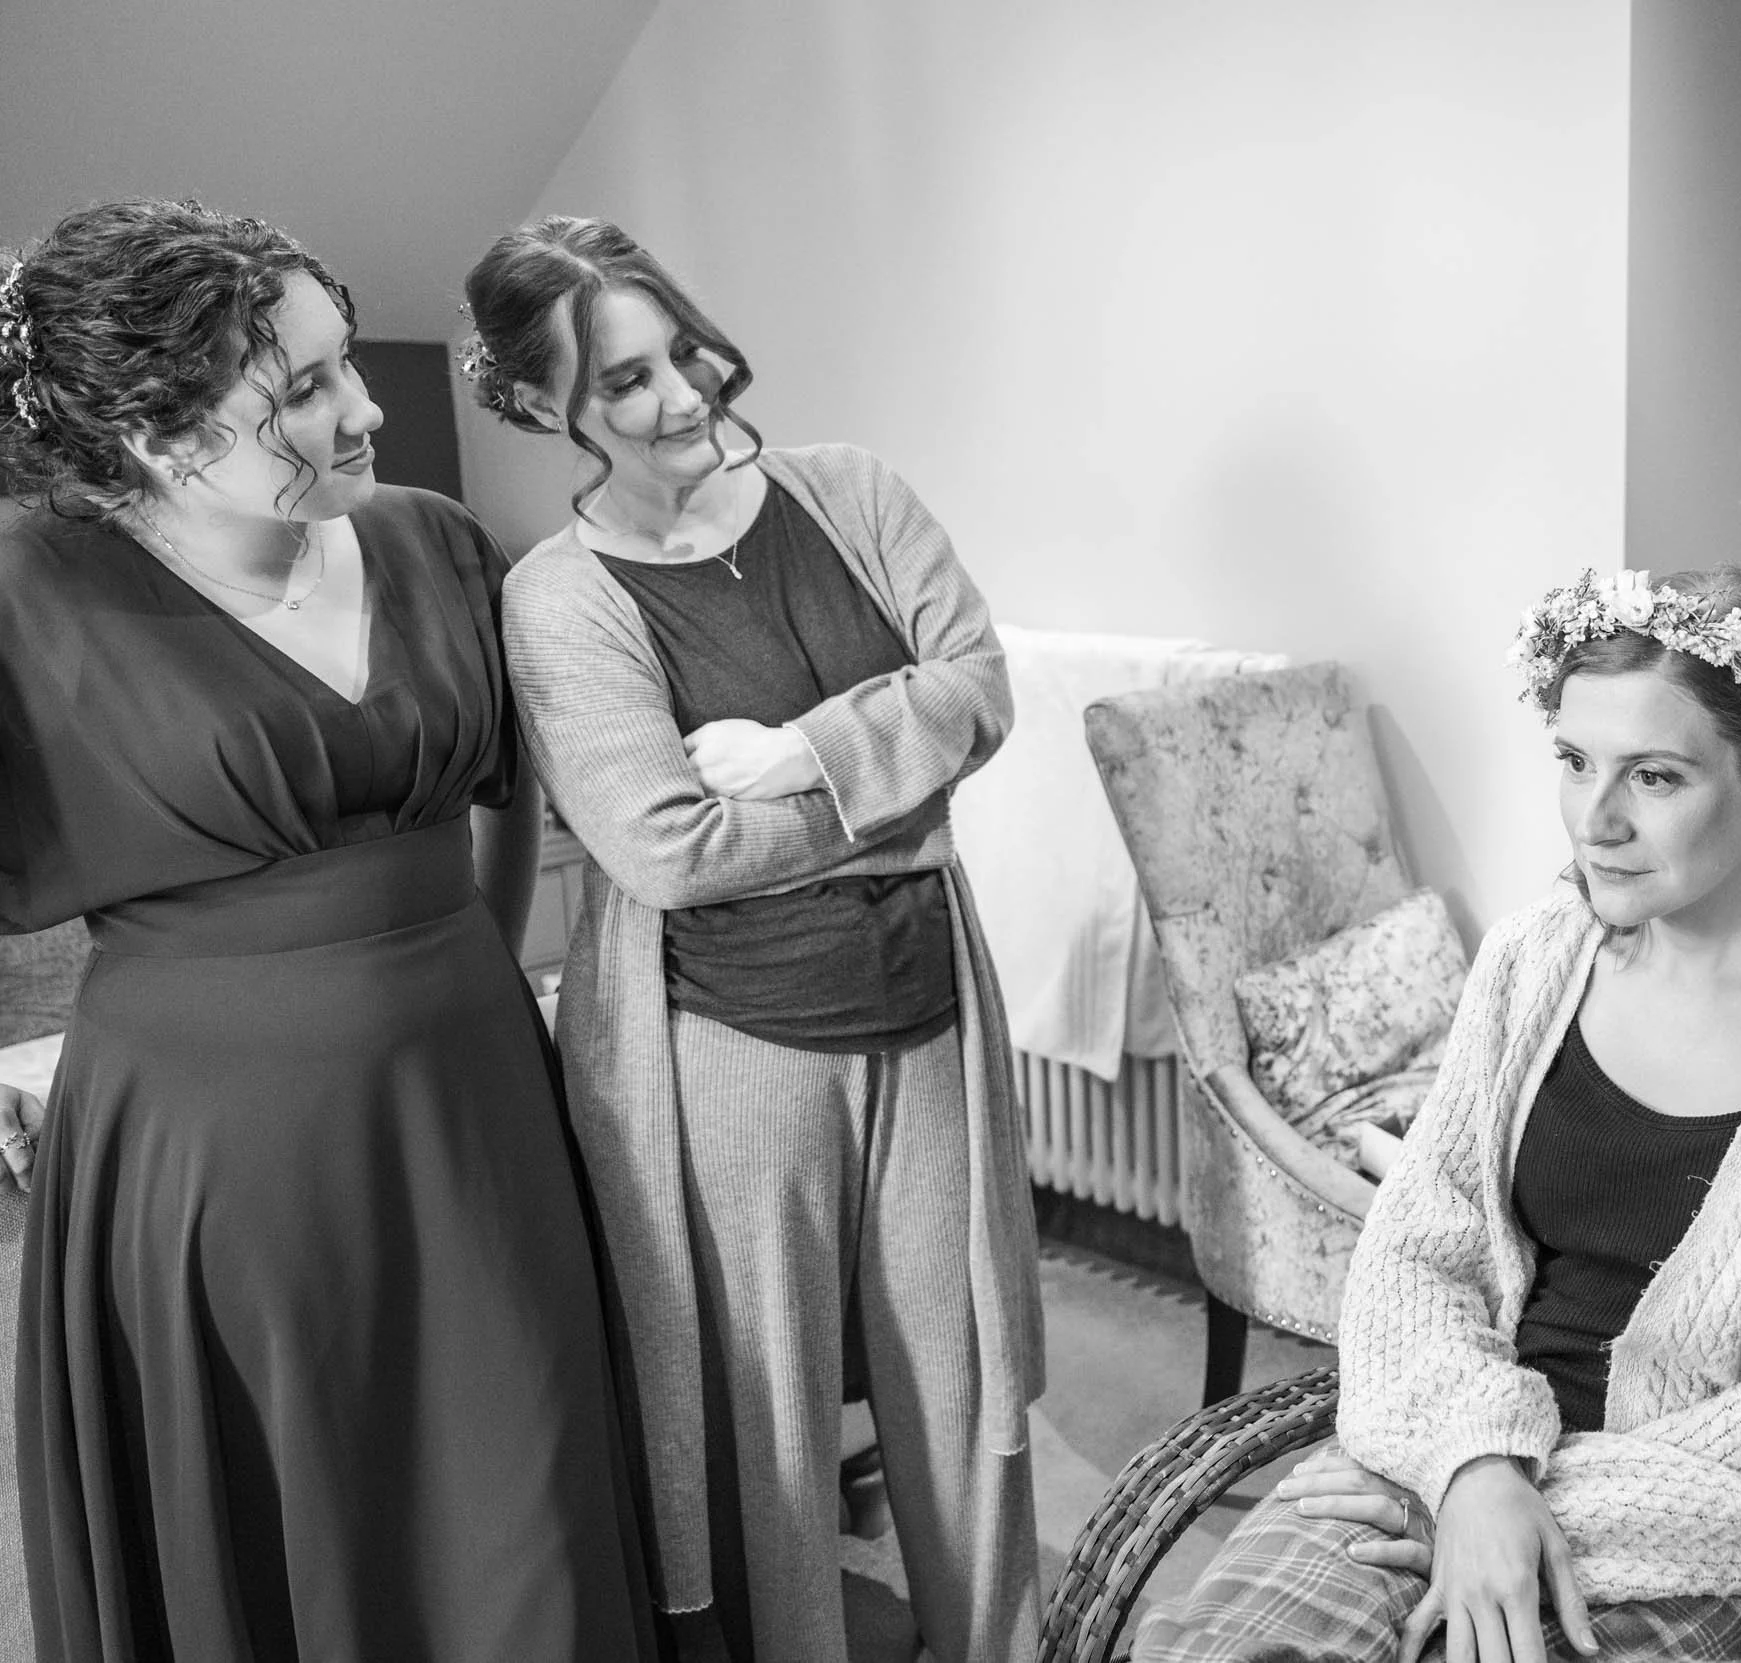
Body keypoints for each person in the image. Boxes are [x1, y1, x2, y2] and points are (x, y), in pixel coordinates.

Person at [0, 201, 656, 1660]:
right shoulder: (26, 591)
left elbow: (510, 804)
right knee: (282, 1517)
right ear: (161, 439)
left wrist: (471, 986)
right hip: (210, 1159)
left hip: (475, 1112)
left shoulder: (431, 540)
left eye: (341, 359)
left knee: (522, 1492)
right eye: (301, 389)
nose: (364, 406)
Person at [1136, 566, 1741, 1663]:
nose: (1597, 820)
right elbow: (1415, 1250)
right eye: (1575, 761)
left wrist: (1522, 1509)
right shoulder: (1534, 956)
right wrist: (1475, 1471)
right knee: (1216, 1648)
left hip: (1718, 1529)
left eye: (1654, 775)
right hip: (1460, 1443)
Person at [460, 216, 1044, 1663]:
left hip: (926, 1011)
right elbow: (663, 846)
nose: (686, 395)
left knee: (959, 1381)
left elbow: (980, 683)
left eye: (686, 351)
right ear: (549, 410)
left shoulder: (852, 492)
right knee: (766, 1414)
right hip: (724, 1044)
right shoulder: (559, 598)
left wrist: (802, 752)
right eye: (630, 383)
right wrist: (903, 802)